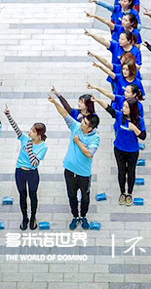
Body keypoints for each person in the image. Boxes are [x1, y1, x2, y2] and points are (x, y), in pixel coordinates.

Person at [48, 92, 101, 230]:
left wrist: (77, 142)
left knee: (85, 197)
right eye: (83, 121)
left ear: (91, 128)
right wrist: (55, 102)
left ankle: (83, 216)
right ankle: (75, 216)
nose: (82, 123)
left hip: (84, 173)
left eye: (85, 123)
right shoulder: (76, 126)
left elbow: (89, 153)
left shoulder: (95, 138)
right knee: (71, 195)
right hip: (69, 170)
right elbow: (64, 114)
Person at [89, 84, 146, 206]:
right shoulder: (120, 116)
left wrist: (135, 129)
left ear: (132, 109)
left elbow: (143, 136)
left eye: (125, 107)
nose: (123, 109)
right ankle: (122, 192)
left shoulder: (139, 120)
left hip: (132, 151)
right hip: (119, 149)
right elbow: (109, 108)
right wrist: (97, 100)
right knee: (121, 171)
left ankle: (129, 193)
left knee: (131, 172)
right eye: (123, 106)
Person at [4, 105, 48, 230]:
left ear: (39, 135)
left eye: (33, 131)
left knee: (33, 195)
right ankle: (24, 217)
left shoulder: (43, 147)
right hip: (20, 172)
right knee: (22, 195)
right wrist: (8, 115)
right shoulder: (25, 139)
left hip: (32, 173)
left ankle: (33, 217)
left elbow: (34, 163)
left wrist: (29, 147)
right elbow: (16, 129)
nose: (29, 132)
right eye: (30, 129)